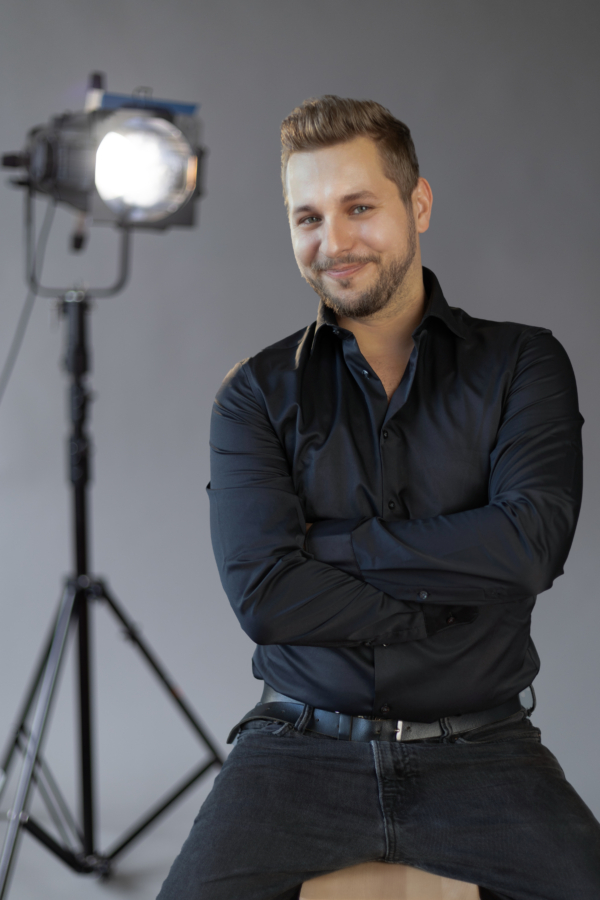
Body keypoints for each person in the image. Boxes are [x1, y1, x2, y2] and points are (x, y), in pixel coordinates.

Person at [157, 96, 600, 900]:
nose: (333, 242)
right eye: (309, 217)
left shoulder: (522, 365)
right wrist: (446, 607)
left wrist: (332, 544)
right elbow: (265, 597)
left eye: (359, 207)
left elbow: (530, 546)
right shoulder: (255, 394)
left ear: (417, 204)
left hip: (484, 751)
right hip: (298, 749)